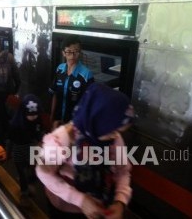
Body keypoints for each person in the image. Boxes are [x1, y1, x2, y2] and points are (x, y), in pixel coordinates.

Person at [36, 83, 134, 219]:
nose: (116, 135)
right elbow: (44, 173)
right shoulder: (62, 139)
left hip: (101, 207)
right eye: (112, 129)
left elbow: (122, 171)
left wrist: (120, 200)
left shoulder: (113, 139)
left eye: (118, 130)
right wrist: (80, 200)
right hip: (66, 209)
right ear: (96, 119)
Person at [49, 37, 93, 130]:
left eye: (76, 51)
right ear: (63, 53)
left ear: (80, 52)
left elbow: (88, 102)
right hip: (58, 120)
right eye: (69, 51)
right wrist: (52, 116)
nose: (72, 55)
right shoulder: (60, 69)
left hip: (75, 122)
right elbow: (55, 94)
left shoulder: (86, 74)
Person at [9, 94, 43, 199]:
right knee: (21, 169)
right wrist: (9, 151)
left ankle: (31, 182)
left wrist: (40, 140)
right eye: (30, 114)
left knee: (34, 167)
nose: (33, 117)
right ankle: (24, 190)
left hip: (32, 146)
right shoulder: (15, 124)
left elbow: (39, 132)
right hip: (19, 147)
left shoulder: (37, 120)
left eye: (35, 114)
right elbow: (11, 139)